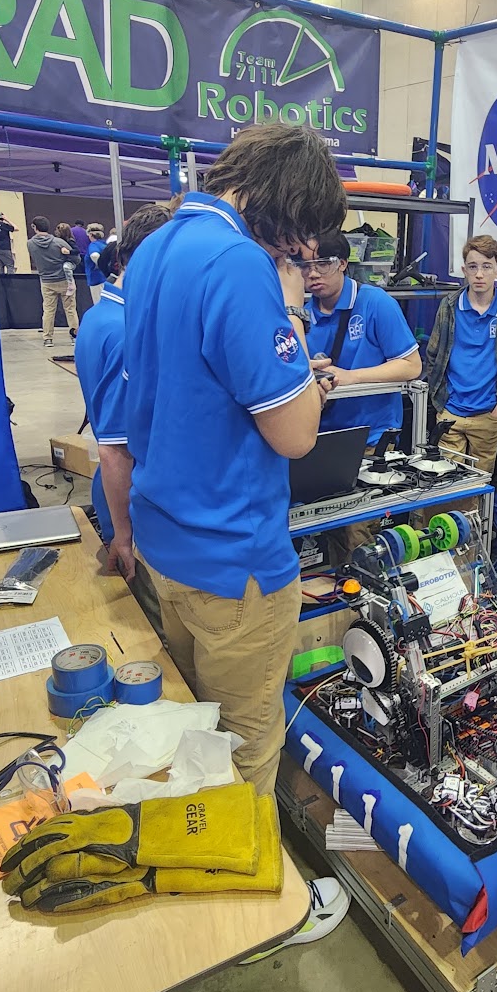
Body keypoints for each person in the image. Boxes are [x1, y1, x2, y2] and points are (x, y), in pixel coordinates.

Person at [123, 123, 346, 802]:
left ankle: (203, 873)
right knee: (245, 755)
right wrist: (294, 313)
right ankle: (257, 905)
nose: (303, 250)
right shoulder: (237, 261)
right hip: (235, 562)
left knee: (196, 733)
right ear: (274, 194)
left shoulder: (155, 246)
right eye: (301, 229)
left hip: (167, 541)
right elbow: (296, 435)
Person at [74, 202, 174, 637]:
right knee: (156, 634)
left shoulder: (100, 316)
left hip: (119, 492)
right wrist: (123, 533)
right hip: (129, 498)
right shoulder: (124, 330)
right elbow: (115, 448)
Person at [302, 230, 421, 445]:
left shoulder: (375, 303)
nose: (313, 273)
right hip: (317, 437)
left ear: (342, 263)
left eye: (322, 264)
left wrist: (352, 376)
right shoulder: (301, 314)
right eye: (305, 266)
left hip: (372, 439)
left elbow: (411, 366)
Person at [424, 234, 497, 477]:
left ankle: (475, 517)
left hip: (488, 413)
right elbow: (433, 356)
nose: (479, 274)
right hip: (450, 411)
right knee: (445, 481)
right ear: (464, 270)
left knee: (480, 483)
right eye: (473, 267)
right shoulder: (449, 306)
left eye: (486, 267)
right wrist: (439, 402)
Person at [26, 215, 79, 347]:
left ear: (34, 227)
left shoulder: (30, 244)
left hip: (46, 281)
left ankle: (47, 338)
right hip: (65, 280)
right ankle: (74, 337)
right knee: (70, 309)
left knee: (49, 310)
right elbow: (76, 258)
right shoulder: (59, 243)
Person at [84, 223, 107, 301]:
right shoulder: (104, 244)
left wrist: (101, 265)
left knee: (99, 304)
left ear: (90, 234)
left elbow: (94, 255)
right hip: (105, 278)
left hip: (96, 279)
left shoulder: (93, 245)